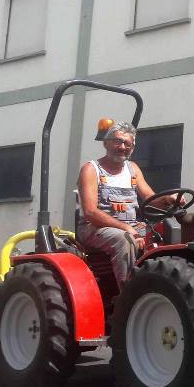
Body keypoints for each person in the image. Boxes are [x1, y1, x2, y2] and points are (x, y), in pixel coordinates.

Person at [76, 119, 178, 289]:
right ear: (106, 143)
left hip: (131, 226)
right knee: (125, 240)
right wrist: (126, 228)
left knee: (168, 233)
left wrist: (169, 199)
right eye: (117, 141)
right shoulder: (91, 169)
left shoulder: (133, 169)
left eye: (127, 143)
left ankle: (163, 287)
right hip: (94, 227)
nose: (122, 147)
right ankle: (128, 295)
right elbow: (90, 212)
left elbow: (151, 199)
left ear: (132, 147)